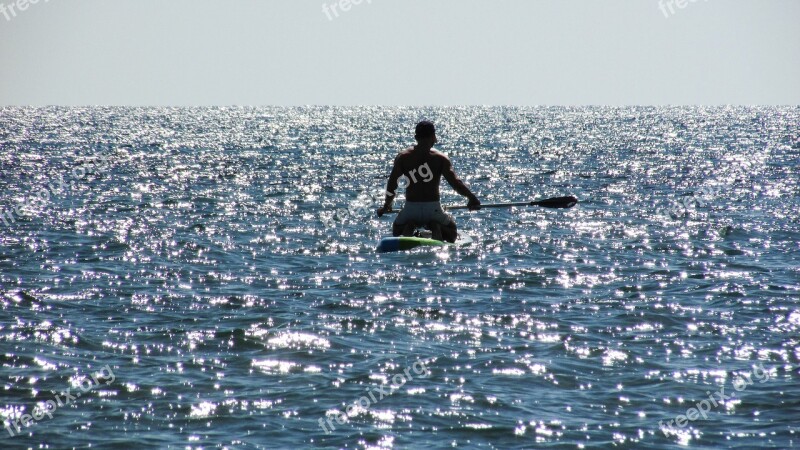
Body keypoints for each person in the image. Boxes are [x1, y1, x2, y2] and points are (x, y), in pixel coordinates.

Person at [377, 121, 480, 242]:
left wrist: (386, 205)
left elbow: (392, 184)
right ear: (434, 137)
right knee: (452, 232)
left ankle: (409, 226)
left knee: (396, 229)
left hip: (411, 208)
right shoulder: (441, 158)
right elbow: (455, 183)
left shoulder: (403, 157)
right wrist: (472, 198)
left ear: (416, 138)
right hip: (433, 209)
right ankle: (436, 226)